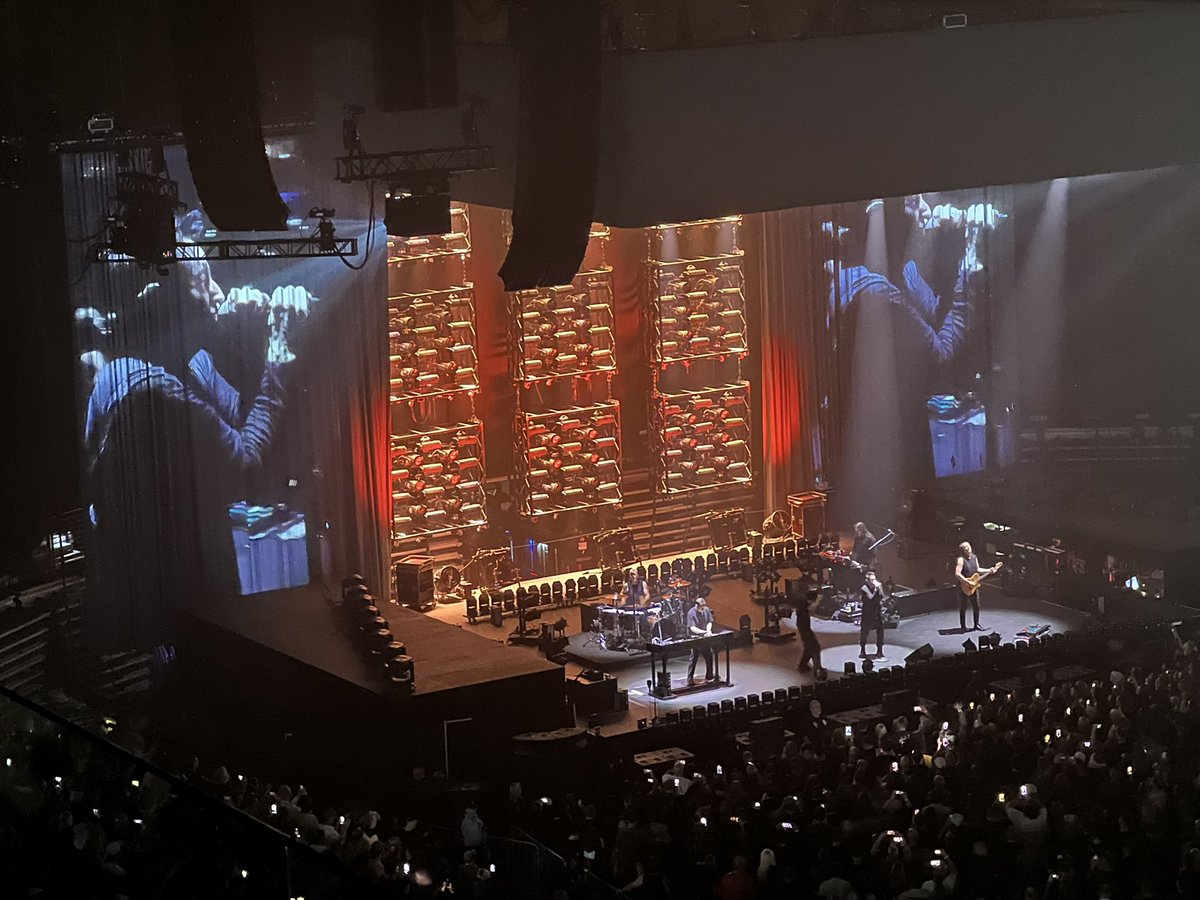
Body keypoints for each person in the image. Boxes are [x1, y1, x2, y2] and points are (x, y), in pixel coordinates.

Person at [954, 541, 998, 631]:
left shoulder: (974, 557)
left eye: (968, 546)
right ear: (962, 550)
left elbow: (978, 569)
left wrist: (989, 570)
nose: (967, 548)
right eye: (965, 547)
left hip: (973, 585)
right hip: (964, 586)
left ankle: (976, 624)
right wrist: (967, 582)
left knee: (976, 605)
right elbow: (957, 574)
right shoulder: (961, 560)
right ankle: (963, 627)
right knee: (963, 606)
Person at [685, 596, 715, 686]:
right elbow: (692, 628)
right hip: (694, 637)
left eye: (703, 608)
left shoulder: (706, 609)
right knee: (694, 658)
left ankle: (709, 676)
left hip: (704, 636)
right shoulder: (691, 613)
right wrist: (704, 632)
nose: (703, 610)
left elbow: (710, 621)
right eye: (701, 608)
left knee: (709, 655)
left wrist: (708, 630)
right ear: (696, 606)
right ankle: (690, 679)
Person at [795, 588, 823, 673]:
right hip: (804, 628)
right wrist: (818, 600)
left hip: (803, 626)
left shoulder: (802, 602)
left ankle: (802, 666)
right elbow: (812, 608)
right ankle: (817, 669)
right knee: (815, 647)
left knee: (808, 647)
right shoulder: (804, 604)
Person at [860, 570, 885, 659]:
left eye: (874, 579)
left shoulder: (877, 586)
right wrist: (875, 590)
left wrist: (880, 587)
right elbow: (870, 597)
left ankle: (880, 650)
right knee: (864, 631)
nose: (874, 581)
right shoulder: (864, 587)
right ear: (867, 580)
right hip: (867, 612)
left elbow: (882, 596)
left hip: (876, 612)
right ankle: (862, 650)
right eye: (872, 580)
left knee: (880, 631)